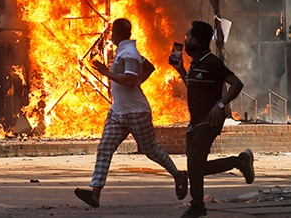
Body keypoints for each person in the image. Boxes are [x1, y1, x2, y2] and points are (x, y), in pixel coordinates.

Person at [74, 18, 188, 208]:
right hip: (118, 112)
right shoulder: (125, 51)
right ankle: (95, 193)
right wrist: (137, 83)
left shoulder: (129, 53)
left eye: (112, 33)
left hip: (136, 112)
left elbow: (128, 80)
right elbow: (149, 67)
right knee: (104, 149)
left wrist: (106, 72)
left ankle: (179, 175)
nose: (110, 36)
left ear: (117, 34)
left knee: (151, 151)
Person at [169, 20, 255, 218]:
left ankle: (198, 205)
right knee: (197, 166)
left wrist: (221, 105)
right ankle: (240, 162)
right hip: (195, 122)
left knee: (194, 164)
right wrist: (181, 70)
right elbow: (195, 89)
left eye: (189, 38)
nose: (186, 41)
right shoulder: (195, 64)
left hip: (209, 120)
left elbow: (236, 84)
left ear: (198, 41)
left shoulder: (212, 62)